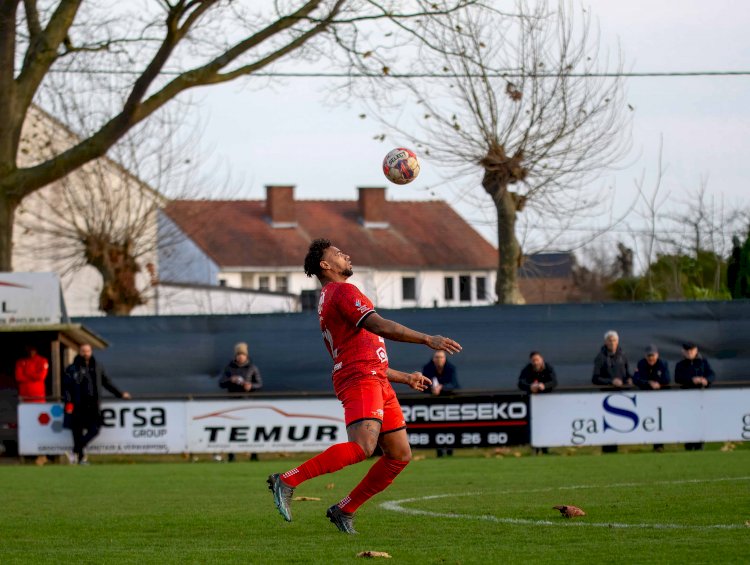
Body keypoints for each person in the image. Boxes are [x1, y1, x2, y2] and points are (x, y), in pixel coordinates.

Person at [267, 239, 461, 534]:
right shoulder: (342, 291)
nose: (347, 255)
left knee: (399, 455)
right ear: (325, 265)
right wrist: (426, 339)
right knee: (362, 447)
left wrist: (405, 377)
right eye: (339, 254)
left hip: (374, 376)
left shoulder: (334, 294)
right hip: (360, 378)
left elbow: (363, 352)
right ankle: (287, 479)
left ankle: (344, 509)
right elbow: (379, 326)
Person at [62, 344, 131, 465]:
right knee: (77, 432)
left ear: (91, 351)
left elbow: (107, 382)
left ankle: (75, 450)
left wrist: (120, 394)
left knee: (95, 429)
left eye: (88, 351)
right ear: (79, 352)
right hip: (77, 406)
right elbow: (66, 388)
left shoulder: (97, 366)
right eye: (83, 351)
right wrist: (68, 403)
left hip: (93, 405)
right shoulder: (72, 368)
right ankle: (81, 458)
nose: (85, 353)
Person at [219, 342, 262, 462]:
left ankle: (254, 453)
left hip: (248, 402)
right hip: (233, 403)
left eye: (242, 354)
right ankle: (231, 454)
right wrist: (230, 380)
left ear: (246, 355)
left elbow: (259, 384)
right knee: (231, 430)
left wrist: (251, 386)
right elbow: (221, 383)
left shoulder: (252, 368)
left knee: (252, 428)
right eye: (238, 354)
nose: (240, 356)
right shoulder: (229, 368)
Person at [592, 330, 631, 453]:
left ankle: (616, 448)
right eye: (609, 340)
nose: (612, 342)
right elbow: (595, 378)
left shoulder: (623, 355)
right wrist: (610, 381)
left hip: (621, 396)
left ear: (617, 341)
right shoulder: (600, 357)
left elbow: (626, 373)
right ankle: (607, 450)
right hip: (606, 397)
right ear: (605, 342)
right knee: (607, 425)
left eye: (614, 340)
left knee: (619, 424)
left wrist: (629, 379)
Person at [674, 342, 715, 451]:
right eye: (687, 351)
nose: (690, 353)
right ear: (683, 352)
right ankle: (688, 444)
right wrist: (691, 380)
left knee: (700, 420)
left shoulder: (703, 362)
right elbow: (678, 378)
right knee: (687, 421)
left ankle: (699, 444)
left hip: (701, 397)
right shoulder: (680, 365)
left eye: (692, 350)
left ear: (696, 350)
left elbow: (712, 374)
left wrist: (706, 380)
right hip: (687, 398)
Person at [421, 350, 460, 457]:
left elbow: (455, 385)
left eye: (441, 357)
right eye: (437, 357)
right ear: (433, 359)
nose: (439, 359)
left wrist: (442, 388)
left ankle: (450, 449)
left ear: (445, 358)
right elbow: (422, 386)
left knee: (450, 425)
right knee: (435, 426)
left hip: (448, 401)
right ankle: (438, 449)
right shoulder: (427, 368)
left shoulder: (450, 368)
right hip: (432, 402)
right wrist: (432, 389)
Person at [15, 346, 50, 465]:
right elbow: (18, 377)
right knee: (26, 427)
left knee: (40, 427)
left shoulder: (42, 361)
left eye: (33, 349)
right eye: (28, 349)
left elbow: (41, 377)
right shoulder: (20, 362)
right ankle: (27, 454)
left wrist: (27, 373)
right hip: (24, 400)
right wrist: (32, 375)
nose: (30, 351)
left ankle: (42, 454)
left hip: (39, 399)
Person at [518, 351, 557, 455]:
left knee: (546, 424)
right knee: (533, 425)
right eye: (533, 360)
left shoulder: (548, 368)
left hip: (546, 401)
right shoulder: (527, 369)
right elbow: (520, 383)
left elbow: (554, 381)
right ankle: (534, 448)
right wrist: (530, 387)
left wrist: (544, 386)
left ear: (542, 359)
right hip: (532, 401)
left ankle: (545, 448)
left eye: (537, 360)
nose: (536, 362)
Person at [633, 345, 670, 452]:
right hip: (646, 398)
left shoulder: (663, 364)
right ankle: (645, 443)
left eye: (653, 355)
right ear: (645, 356)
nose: (651, 358)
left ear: (657, 355)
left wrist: (658, 383)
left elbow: (666, 379)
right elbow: (636, 379)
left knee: (659, 421)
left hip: (660, 398)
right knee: (648, 421)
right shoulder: (641, 364)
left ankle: (659, 445)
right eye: (649, 356)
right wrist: (649, 383)